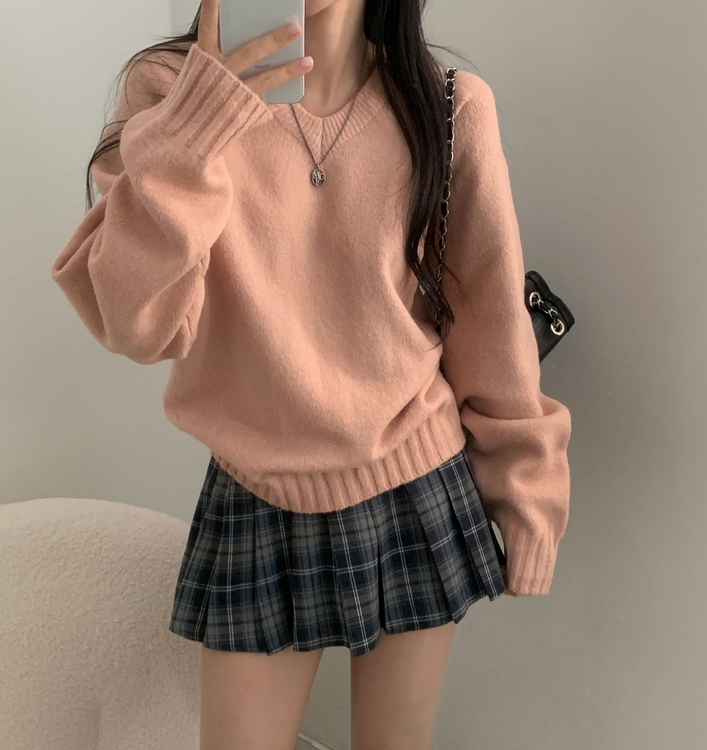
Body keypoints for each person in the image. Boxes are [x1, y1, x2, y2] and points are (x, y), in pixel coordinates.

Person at [50, 0, 572, 747]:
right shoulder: (170, 92)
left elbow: (489, 320)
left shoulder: (448, 107)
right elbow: (133, 323)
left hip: (415, 479)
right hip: (256, 490)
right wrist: (199, 127)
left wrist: (529, 493)